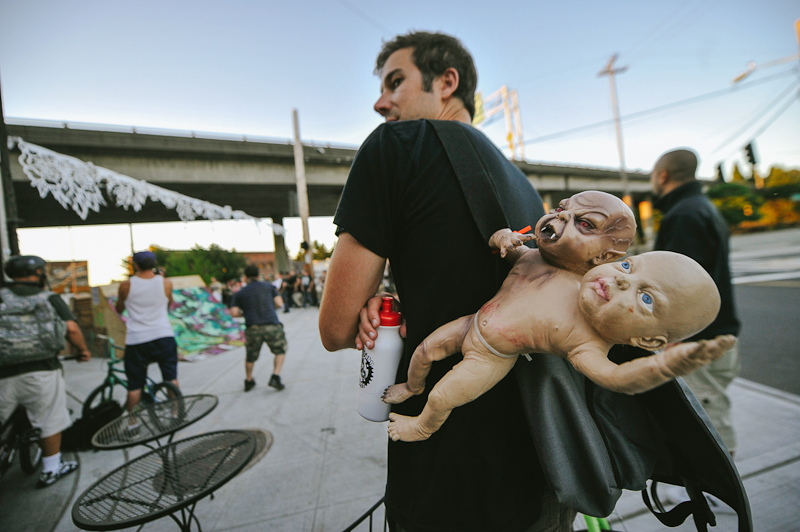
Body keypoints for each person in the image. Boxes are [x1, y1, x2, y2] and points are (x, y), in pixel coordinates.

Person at [319, 31, 568, 532]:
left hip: (445, 482)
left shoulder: (396, 146)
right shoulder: (524, 187)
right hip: (541, 473)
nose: (379, 102)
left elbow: (337, 328)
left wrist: (381, 309)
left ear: (446, 81)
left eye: (395, 81)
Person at [382, 192, 735, 442]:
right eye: (627, 266)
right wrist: (503, 237)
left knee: (443, 398)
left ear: (646, 340)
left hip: (489, 356)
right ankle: (412, 386)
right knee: (425, 351)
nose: (622, 279)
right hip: (470, 323)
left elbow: (618, 377)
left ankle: (423, 426)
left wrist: (663, 368)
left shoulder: (584, 340)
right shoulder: (535, 259)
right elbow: (500, 245)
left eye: (644, 297)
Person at [651, 148, 741, 455]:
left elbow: (681, 285)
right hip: (715, 330)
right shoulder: (702, 207)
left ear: (663, 176)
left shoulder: (683, 215)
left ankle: (720, 499)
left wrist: (678, 335)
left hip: (700, 338)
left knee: (708, 414)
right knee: (708, 406)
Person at [0, 255, 91, 488]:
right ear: (39, 272)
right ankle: (51, 468)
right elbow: (71, 328)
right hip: (41, 370)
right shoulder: (48, 297)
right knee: (49, 418)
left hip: (3, 372)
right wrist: (82, 351)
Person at [115, 251, 180, 417]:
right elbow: (169, 303)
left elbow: (119, 308)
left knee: (135, 385)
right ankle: (176, 413)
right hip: (163, 335)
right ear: (154, 264)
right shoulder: (166, 283)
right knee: (170, 378)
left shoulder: (126, 285)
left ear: (135, 265)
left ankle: (132, 424)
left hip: (137, 339)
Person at [229, 264, 287, 392]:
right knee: (280, 350)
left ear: (245, 277)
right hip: (271, 324)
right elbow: (279, 303)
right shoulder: (268, 287)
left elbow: (234, 313)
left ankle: (249, 380)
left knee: (250, 356)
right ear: (258, 275)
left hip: (253, 327)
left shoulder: (240, 293)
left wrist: (245, 313)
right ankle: (275, 376)